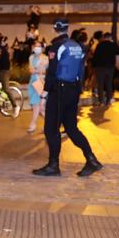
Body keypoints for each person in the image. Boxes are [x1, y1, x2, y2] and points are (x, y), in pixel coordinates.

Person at [34, 19, 102, 177]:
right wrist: (79, 89)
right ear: (67, 28)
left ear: (54, 28)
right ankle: (91, 159)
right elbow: (80, 69)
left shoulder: (56, 46)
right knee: (71, 128)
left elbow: (52, 71)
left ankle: (53, 165)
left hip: (59, 90)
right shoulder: (77, 46)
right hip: (72, 89)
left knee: (51, 128)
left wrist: (44, 93)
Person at [90, 30, 119, 106]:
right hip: (110, 67)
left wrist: (93, 66)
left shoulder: (99, 45)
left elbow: (95, 56)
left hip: (99, 67)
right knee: (109, 83)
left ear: (104, 37)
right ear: (110, 37)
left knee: (100, 84)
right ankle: (108, 100)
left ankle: (101, 101)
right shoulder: (113, 45)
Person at [27, 39, 48, 134]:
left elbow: (45, 71)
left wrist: (38, 70)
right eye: (35, 46)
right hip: (32, 82)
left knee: (37, 106)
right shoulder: (31, 57)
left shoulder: (45, 58)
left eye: (39, 46)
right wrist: (37, 70)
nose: (37, 48)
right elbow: (31, 70)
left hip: (40, 82)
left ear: (42, 48)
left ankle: (33, 124)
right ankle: (50, 123)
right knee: (40, 107)